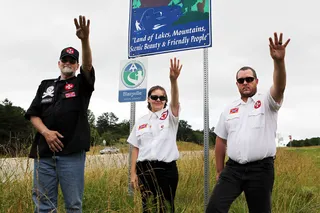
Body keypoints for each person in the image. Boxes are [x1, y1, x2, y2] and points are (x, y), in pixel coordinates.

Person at [206, 32, 290, 213]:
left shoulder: (267, 101)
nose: (245, 82)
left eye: (249, 79)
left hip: (260, 169)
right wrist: (219, 170)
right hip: (233, 169)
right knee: (214, 209)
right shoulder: (229, 108)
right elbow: (221, 140)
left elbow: (280, 86)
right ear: (236, 84)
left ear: (256, 81)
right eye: (241, 80)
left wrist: (278, 62)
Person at [24, 15, 94, 213]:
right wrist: (46, 132)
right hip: (44, 154)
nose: (68, 63)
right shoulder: (45, 85)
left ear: (76, 65)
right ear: (59, 63)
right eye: (65, 59)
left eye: (73, 61)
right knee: (44, 204)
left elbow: (88, 67)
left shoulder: (81, 84)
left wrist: (85, 40)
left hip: (71, 154)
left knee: (73, 205)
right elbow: (33, 114)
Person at [127, 57, 182, 213]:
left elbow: (176, 102)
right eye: (154, 97)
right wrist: (133, 174)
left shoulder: (171, 116)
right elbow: (135, 148)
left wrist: (173, 81)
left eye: (162, 97)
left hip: (166, 170)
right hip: (144, 169)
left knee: (165, 208)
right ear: (148, 99)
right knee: (148, 208)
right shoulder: (141, 121)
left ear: (165, 100)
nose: (158, 99)